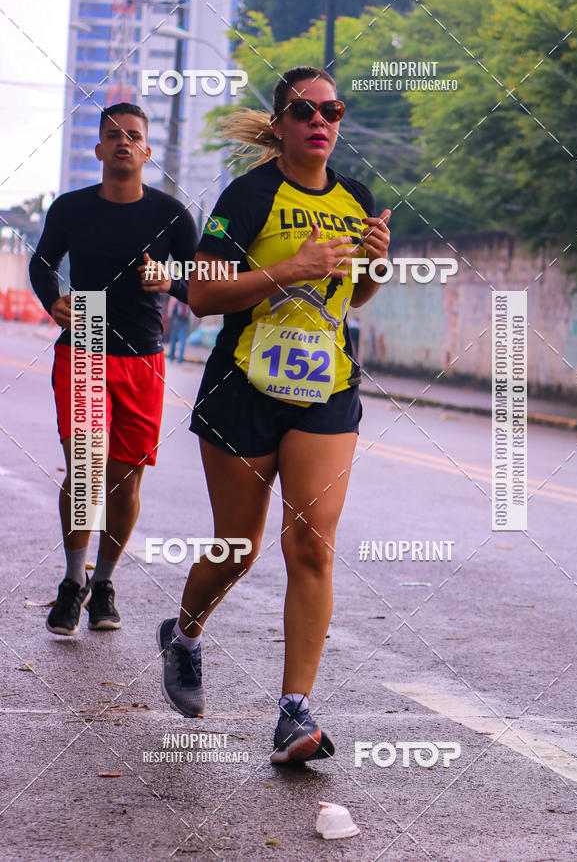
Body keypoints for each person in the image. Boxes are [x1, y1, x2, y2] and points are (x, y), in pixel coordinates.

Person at [157, 66, 391, 763]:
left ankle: (294, 713)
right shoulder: (247, 196)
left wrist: (375, 265)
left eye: (332, 110)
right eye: (304, 110)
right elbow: (199, 296)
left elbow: (357, 299)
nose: (321, 120)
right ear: (281, 123)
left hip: (325, 390)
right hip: (242, 389)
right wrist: (291, 267)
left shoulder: (358, 199)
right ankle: (185, 633)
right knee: (238, 549)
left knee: (311, 545)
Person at [29, 102, 198, 637]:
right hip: (87, 334)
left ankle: (104, 582)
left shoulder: (172, 214)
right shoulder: (71, 208)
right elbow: (42, 262)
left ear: (147, 151)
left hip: (144, 350)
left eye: (134, 135)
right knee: (85, 466)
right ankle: (72, 581)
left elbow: (203, 280)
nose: (123, 142)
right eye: (113, 135)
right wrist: (52, 299)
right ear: (99, 149)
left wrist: (167, 280)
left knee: (125, 480)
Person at [167, 297, 192, 364]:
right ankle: (178, 359)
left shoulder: (177, 295)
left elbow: (171, 307)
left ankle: (173, 358)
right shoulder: (188, 295)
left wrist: (169, 316)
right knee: (181, 340)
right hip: (183, 319)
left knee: (175, 339)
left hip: (179, 319)